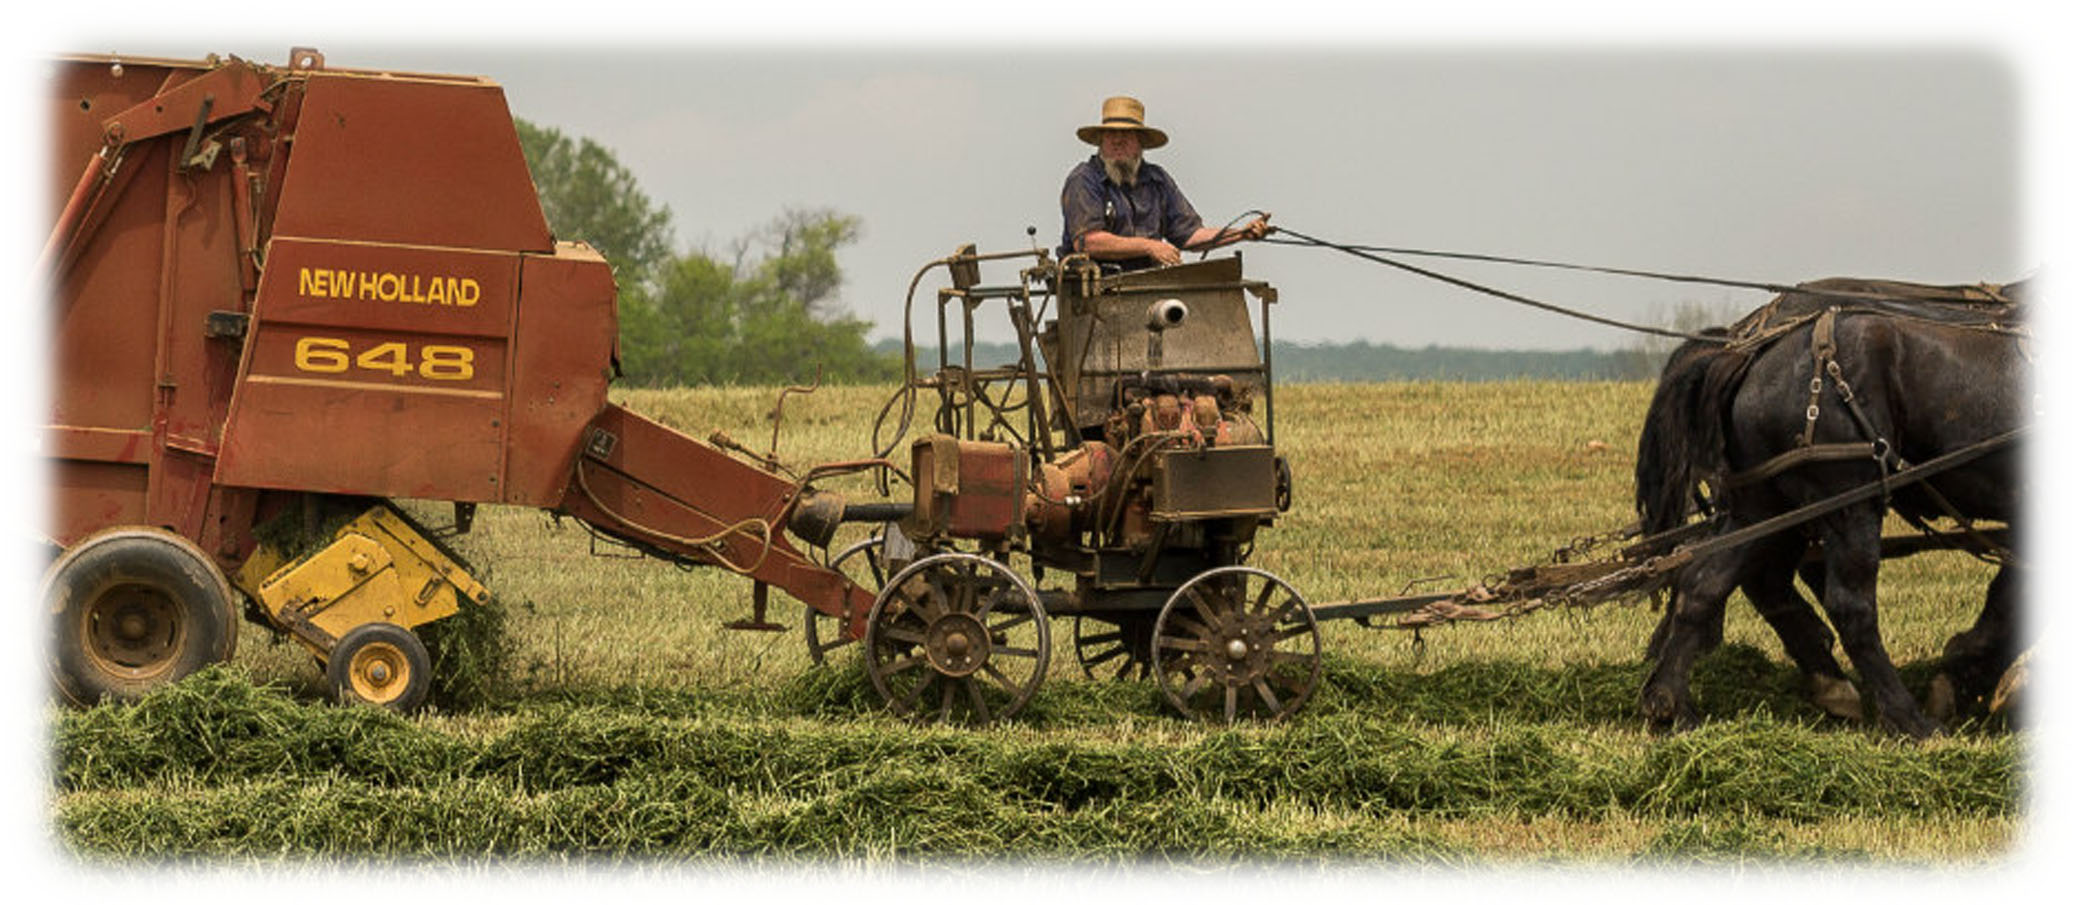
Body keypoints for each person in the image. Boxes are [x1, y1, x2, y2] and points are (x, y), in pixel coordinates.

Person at [1058, 96, 1270, 272]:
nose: (1118, 140)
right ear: (1101, 140)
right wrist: (1150, 246)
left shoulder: (1156, 180)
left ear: (1140, 143)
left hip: (1149, 287)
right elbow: (1088, 241)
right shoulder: (1084, 179)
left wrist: (1241, 233)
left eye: (1127, 134)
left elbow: (1189, 235)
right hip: (1093, 296)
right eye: (1111, 133)